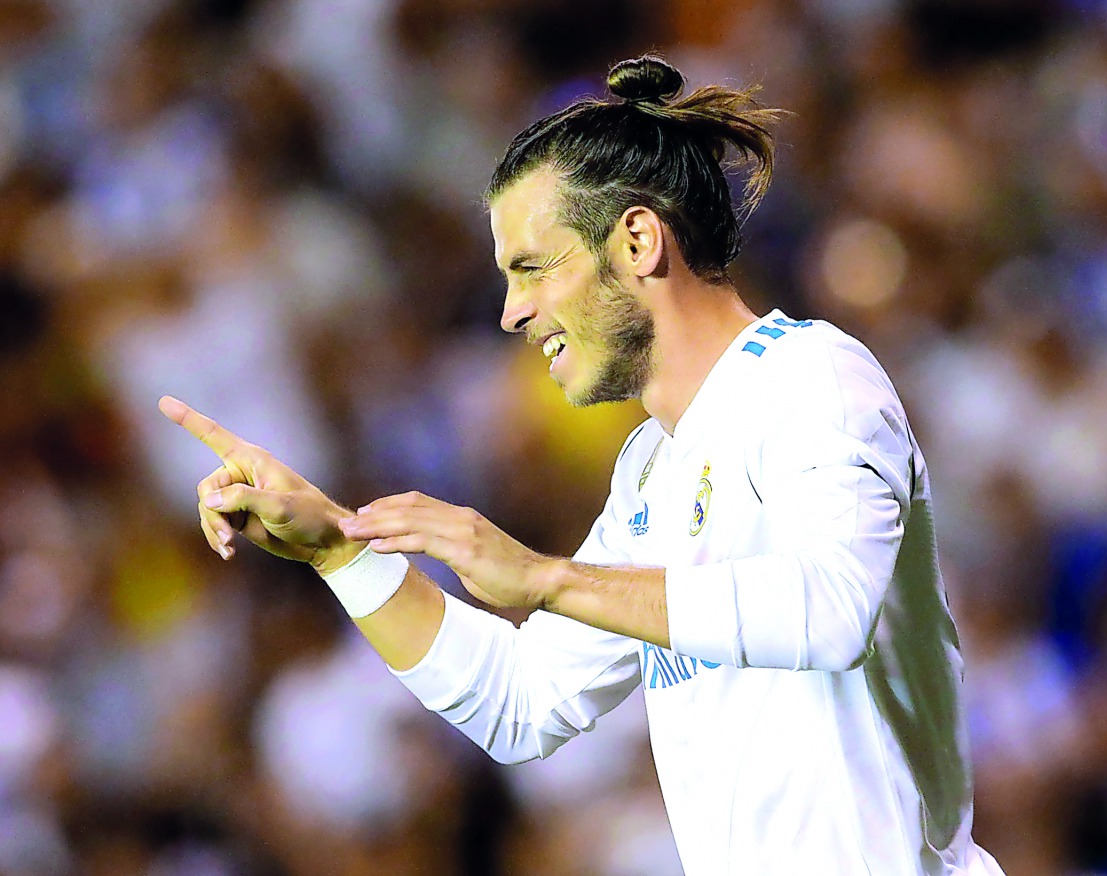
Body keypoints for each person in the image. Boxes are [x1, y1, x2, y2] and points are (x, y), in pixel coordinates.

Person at [160, 55, 1005, 875]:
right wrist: (335, 553)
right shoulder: (650, 473)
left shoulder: (811, 374)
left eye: (532, 267)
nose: (511, 311)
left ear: (636, 240)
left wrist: (547, 578)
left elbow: (830, 611)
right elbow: (519, 703)